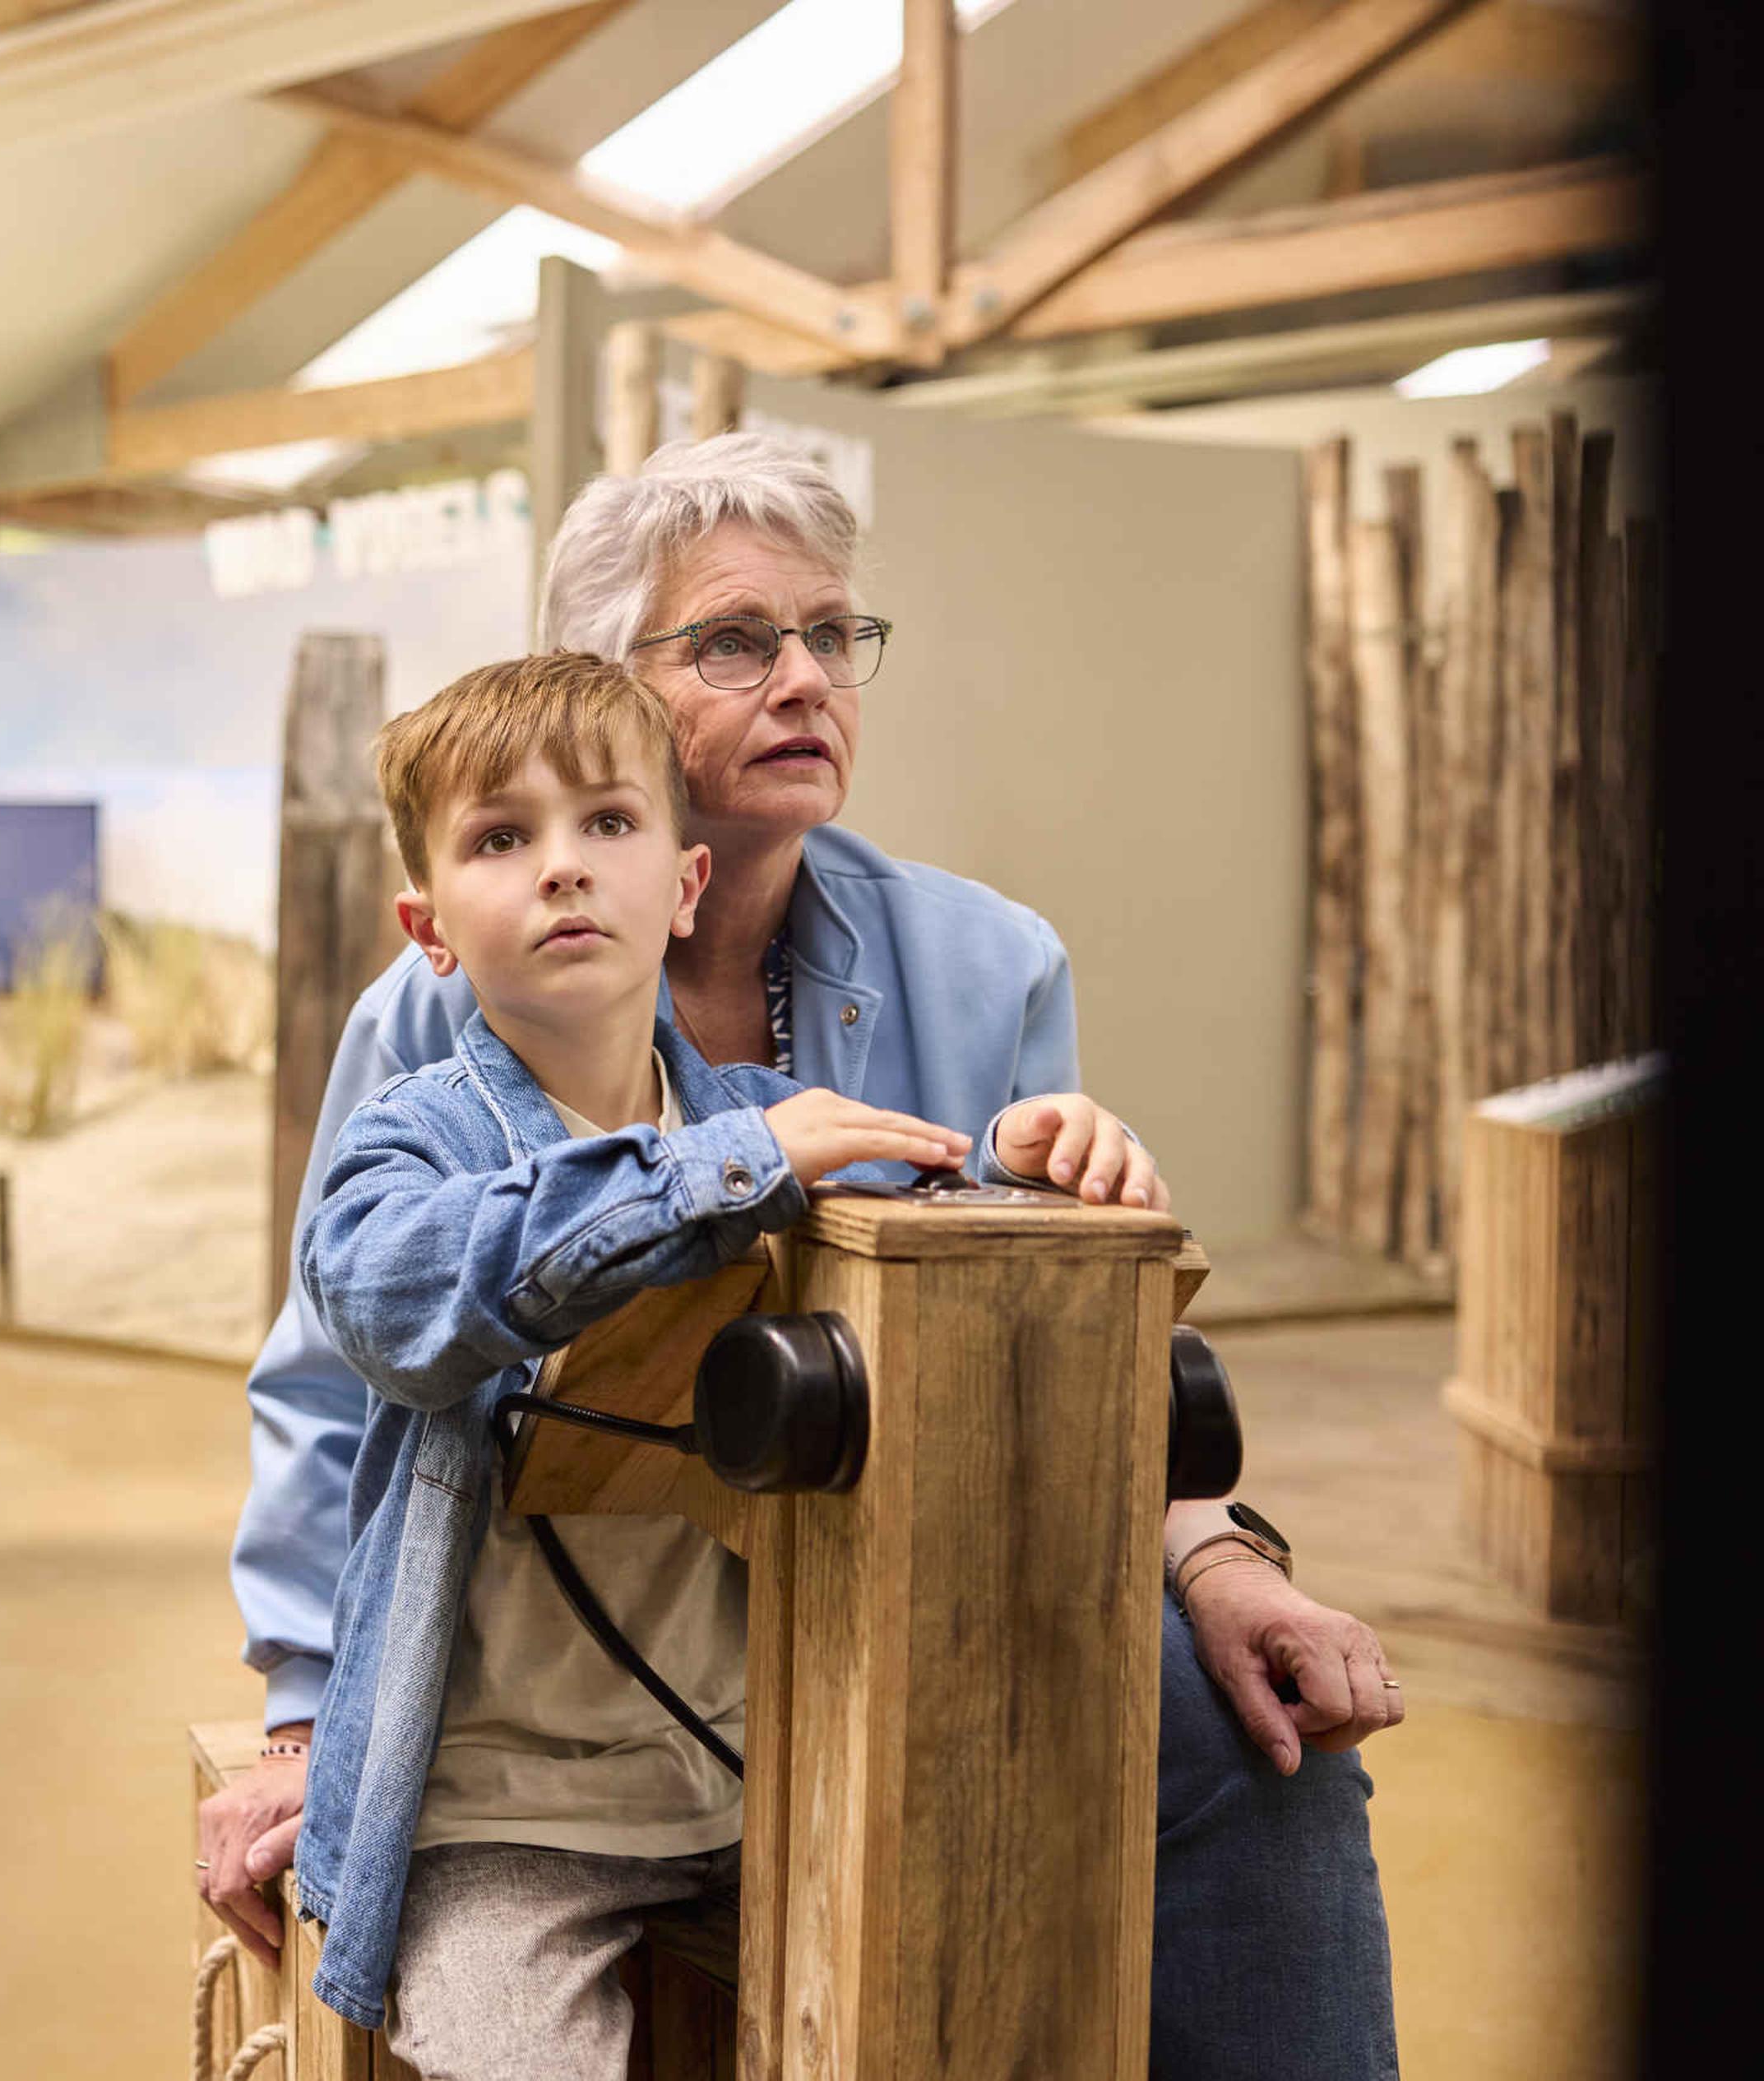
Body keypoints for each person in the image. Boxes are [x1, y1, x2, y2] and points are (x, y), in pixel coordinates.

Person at [201, 433, 1405, 2076]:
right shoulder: (438, 1013)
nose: (804, 678)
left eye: (834, 635)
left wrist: (1204, 1528)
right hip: (566, 1689)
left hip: (908, 1602)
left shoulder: (990, 961)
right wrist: (305, 1705)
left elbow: (1047, 1358)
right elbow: (342, 1355)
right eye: (736, 639)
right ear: (599, 675)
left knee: (1257, 1746)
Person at [293, 649, 1021, 2065]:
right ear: (427, 924)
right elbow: (386, 1293)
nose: (562, 868)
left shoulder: (773, 1113)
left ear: (687, 887)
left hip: (761, 1779)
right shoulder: (418, 1137)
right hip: (504, 1811)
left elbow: (917, 1192)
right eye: (501, 838)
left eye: (609, 823)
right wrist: (717, 1172)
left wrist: (1017, 1156)